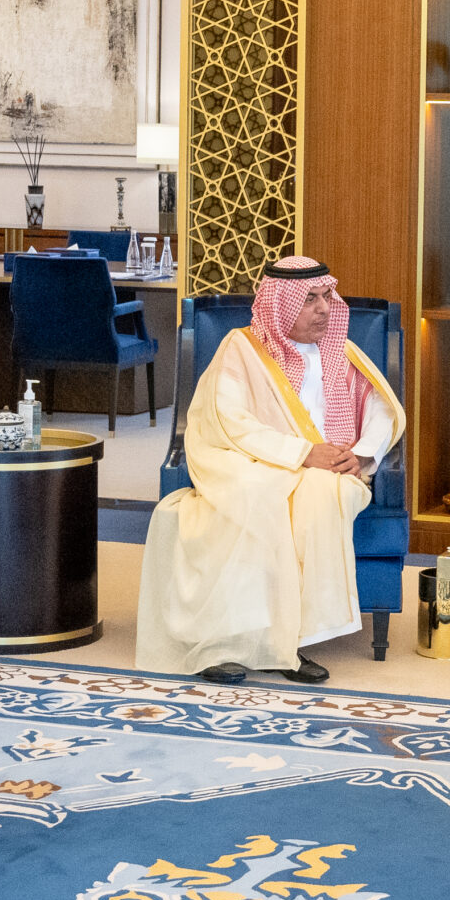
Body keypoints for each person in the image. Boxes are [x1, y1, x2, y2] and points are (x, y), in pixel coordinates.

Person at [136, 256, 404, 683]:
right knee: (253, 496)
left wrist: (363, 454)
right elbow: (229, 420)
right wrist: (302, 453)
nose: (324, 309)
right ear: (281, 304)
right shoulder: (242, 349)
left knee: (321, 493)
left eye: (327, 297)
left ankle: (288, 644)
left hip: (331, 470)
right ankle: (223, 642)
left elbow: (381, 410)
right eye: (309, 299)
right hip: (253, 460)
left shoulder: (341, 351)